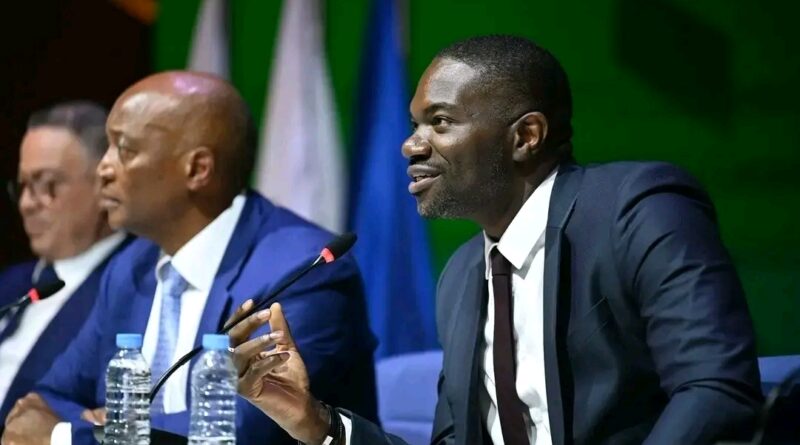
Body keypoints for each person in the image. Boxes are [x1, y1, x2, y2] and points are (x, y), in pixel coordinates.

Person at [228, 35, 763, 445]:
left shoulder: (638, 211)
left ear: (526, 136)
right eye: (415, 125)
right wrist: (314, 421)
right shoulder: (463, 277)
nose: (411, 146)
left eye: (440, 122)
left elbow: (715, 392)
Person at [2, 72, 377, 445]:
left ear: (198, 169)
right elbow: (47, 397)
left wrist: (75, 433)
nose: (103, 169)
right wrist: (115, 428)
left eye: (124, 150)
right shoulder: (128, 268)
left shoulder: (301, 270)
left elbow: (239, 431)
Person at [0, 102, 130, 430]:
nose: (27, 204)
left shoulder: (133, 288)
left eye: (47, 185)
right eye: (23, 186)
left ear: (104, 184)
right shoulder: (10, 284)